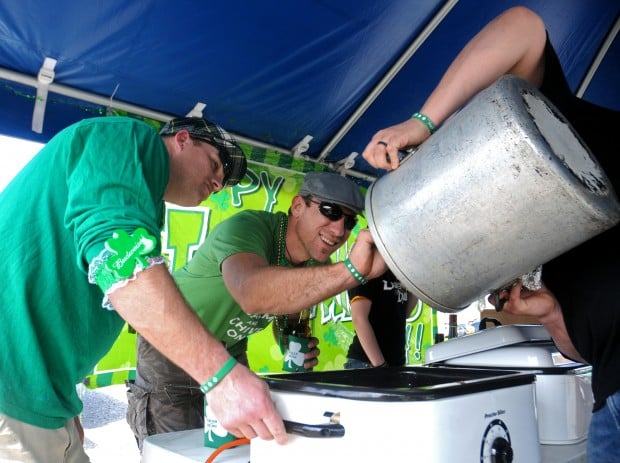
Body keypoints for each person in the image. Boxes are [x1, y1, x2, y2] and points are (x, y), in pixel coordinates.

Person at [361, 6, 620, 463]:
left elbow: (522, 27)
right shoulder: (542, 182)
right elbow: (522, 26)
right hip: (611, 391)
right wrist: (552, 316)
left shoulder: (585, 136)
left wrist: (421, 124)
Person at [0, 113, 314, 463]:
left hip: (44, 395)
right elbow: (119, 260)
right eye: (214, 163)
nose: (217, 181)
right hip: (13, 388)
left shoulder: (144, 203)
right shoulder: (128, 138)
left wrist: (63, 398)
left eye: (223, 181)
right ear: (181, 140)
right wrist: (221, 378)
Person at [127, 171, 387, 449]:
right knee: (178, 450)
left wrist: (287, 339)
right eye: (330, 211)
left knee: (239, 448)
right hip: (172, 345)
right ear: (298, 206)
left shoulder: (312, 263)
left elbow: (285, 309)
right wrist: (351, 273)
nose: (338, 230)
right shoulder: (248, 227)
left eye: (348, 222)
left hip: (229, 352)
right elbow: (251, 293)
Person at [345, 269, 417, 369]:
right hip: (368, 364)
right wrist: (380, 365)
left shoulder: (397, 273)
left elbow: (403, 315)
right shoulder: (366, 270)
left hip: (395, 363)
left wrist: (415, 287)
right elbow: (359, 319)